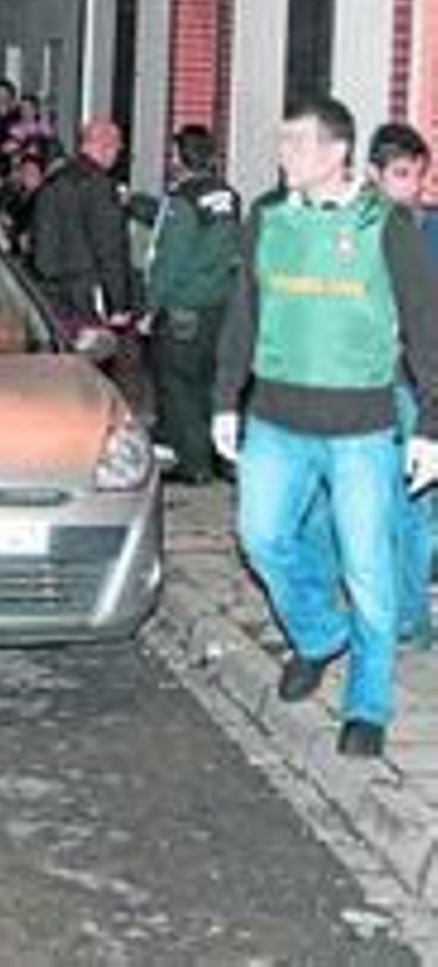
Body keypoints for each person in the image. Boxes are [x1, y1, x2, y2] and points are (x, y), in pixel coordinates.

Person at [211, 96, 438, 757]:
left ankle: (367, 703)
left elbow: (425, 328)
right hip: (276, 421)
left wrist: (429, 426)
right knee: (261, 537)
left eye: (298, 143)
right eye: (283, 142)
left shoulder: (384, 225)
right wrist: (226, 399)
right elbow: (244, 311)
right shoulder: (267, 218)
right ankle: (317, 633)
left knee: (369, 567)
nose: (284, 154)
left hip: (361, 428)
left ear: (337, 153)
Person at [139, 123, 242, 483]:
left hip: (183, 309)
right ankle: (220, 457)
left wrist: (150, 309)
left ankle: (194, 464)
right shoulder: (228, 196)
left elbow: (170, 259)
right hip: (219, 307)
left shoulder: (182, 199)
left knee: (177, 385)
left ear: (181, 158)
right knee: (207, 384)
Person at [368, 120, 437, 647]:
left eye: (418, 175)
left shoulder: (428, 231)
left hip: (412, 387)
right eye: (401, 174)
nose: (412, 186)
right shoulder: (355, 229)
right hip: (360, 386)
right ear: (374, 174)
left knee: (412, 505)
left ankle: (409, 616)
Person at [28, 116, 132, 328]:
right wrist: (119, 304)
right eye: (117, 147)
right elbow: (109, 249)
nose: (118, 154)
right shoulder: (100, 185)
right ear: (105, 146)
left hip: (51, 292)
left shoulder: (54, 180)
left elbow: (40, 243)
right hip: (86, 294)